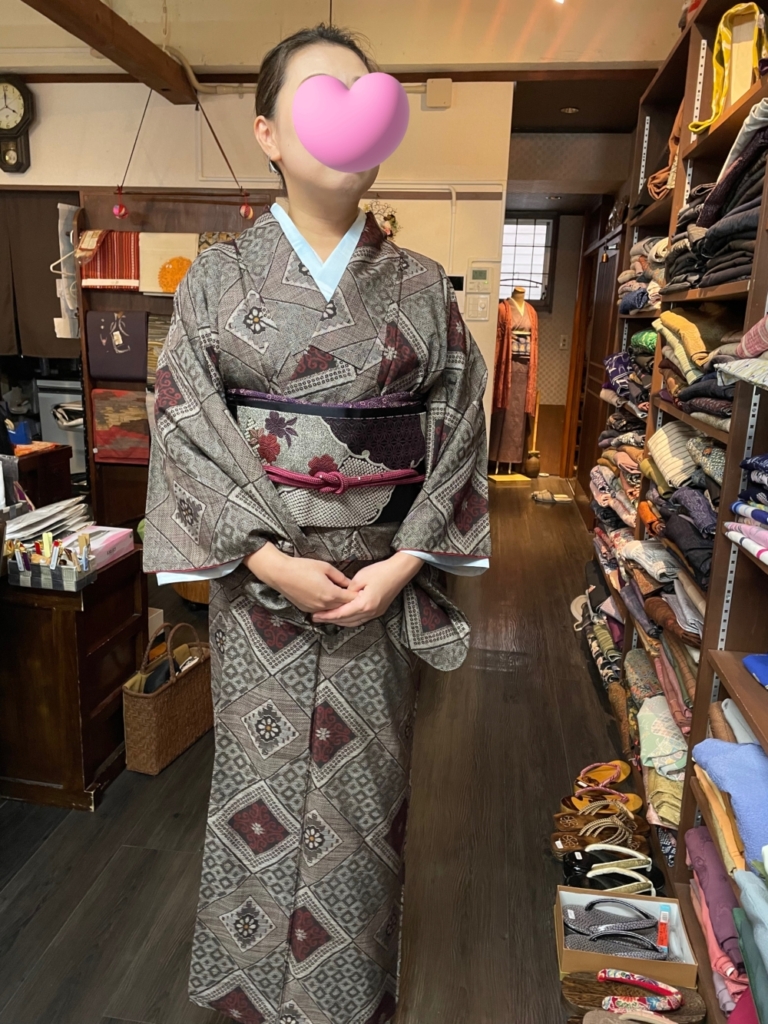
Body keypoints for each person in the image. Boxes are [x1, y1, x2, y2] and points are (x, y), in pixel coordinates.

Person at [143, 22, 490, 1024]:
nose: (348, 119)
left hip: (378, 587)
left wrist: (406, 561)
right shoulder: (216, 280)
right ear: (267, 133)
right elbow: (183, 424)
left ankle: (346, 996)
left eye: (362, 97)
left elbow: (462, 427)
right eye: (319, 98)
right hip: (262, 595)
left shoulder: (422, 288)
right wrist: (263, 557)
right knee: (254, 791)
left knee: (361, 807)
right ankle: (252, 997)